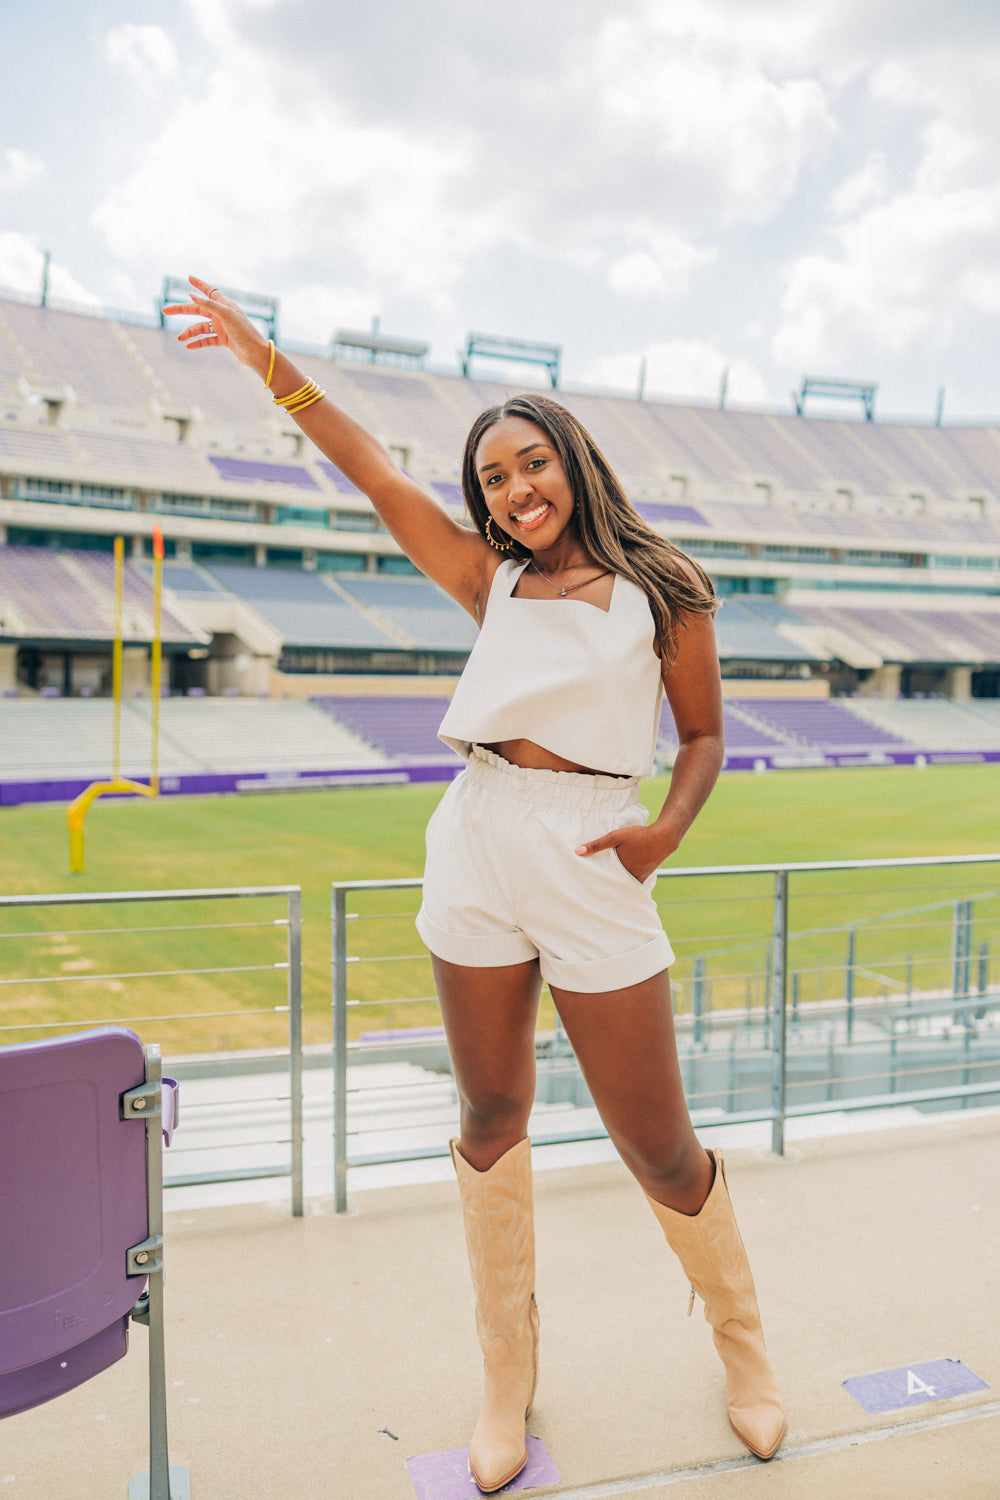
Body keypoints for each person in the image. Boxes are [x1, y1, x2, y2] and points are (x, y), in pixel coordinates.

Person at [165, 278, 786, 1492]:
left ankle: (744, 1350)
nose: (514, 490)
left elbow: (704, 737)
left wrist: (662, 830)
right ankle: (507, 1377)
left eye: (531, 464)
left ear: (575, 464)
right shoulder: (486, 578)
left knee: (657, 1146)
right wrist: (264, 361)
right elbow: (367, 469)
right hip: (479, 836)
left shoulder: (669, 591)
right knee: (490, 1122)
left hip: (595, 849)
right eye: (493, 477)